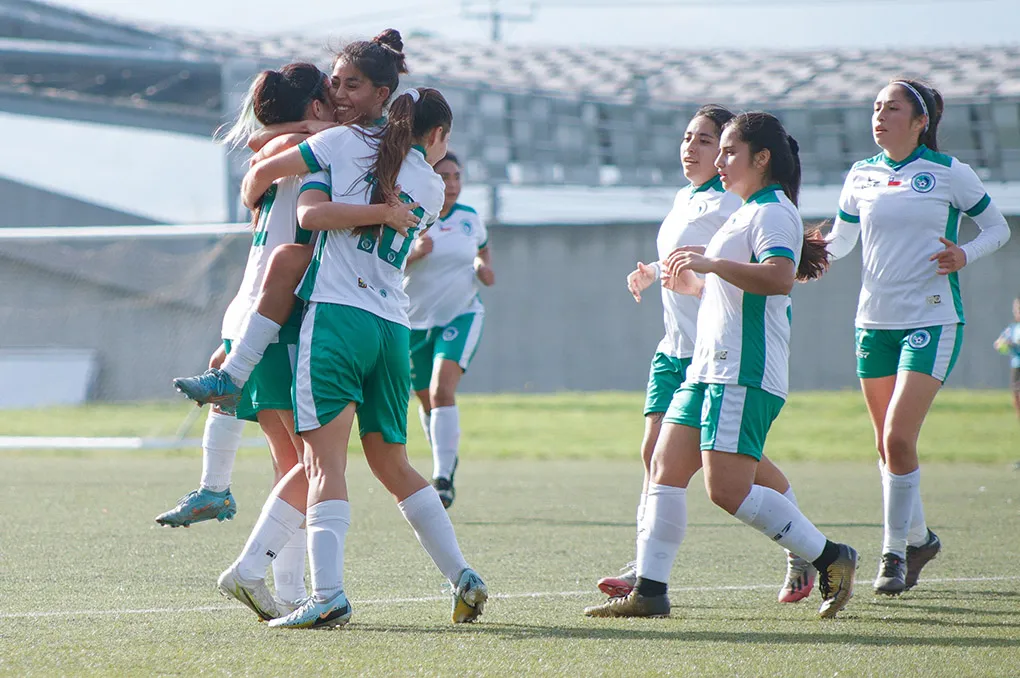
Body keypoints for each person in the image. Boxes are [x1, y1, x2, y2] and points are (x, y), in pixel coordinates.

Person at [218, 87, 488, 630]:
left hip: (336, 319)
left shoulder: (344, 146)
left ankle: (329, 594)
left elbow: (297, 197)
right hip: (392, 325)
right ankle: (462, 576)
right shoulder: (434, 187)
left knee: (322, 464)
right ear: (437, 137)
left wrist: (288, 138)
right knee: (394, 463)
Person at [586, 112, 858, 620]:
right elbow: (721, 291)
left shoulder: (774, 211)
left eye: (730, 150)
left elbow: (778, 277)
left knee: (726, 489)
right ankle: (650, 589)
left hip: (744, 367)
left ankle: (829, 557)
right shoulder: (744, 210)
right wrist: (686, 277)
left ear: (762, 158)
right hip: (706, 365)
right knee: (664, 465)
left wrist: (709, 262)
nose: (721, 160)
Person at [154, 65, 336, 611]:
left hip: (250, 314)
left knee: (291, 466)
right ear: (313, 106)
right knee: (310, 466)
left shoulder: (276, 151)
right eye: (331, 95)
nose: (339, 105)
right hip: (276, 319)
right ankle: (257, 574)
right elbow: (284, 141)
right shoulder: (312, 146)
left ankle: (287, 590)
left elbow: (259, 149)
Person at [826, 79, 1011, 594]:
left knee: (898, 438)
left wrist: (964, 254)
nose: (880, 116)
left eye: (893, 108)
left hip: (931, 319)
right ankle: (922, 538)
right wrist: (790, 254)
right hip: (873, 323)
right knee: (888, 446)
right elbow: (839, 243)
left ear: (921, 121)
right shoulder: (860, 175)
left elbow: (998, 228)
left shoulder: (950, 173)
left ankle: (893, 555)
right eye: (876, 107)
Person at [173, 29, 410, 414]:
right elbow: (259, 159)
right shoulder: (340, 141)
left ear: (381, 93)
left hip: (329, 302)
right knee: (312, 457)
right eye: (335, 83)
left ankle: (225, 402)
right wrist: (311, 133)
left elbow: (260, 159)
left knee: (305, 456)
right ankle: (215, 466)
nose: (339, 93)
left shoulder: (358, 142)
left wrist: (313, 135)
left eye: (352, 84)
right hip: (304, 306)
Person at [403, 152, 494, 509]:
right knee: (427, 400)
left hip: (461, 315)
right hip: (413, 322)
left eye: (457, 176)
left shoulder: (470, 218)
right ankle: (445, 466)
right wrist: (413, 253)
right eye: (444, 177)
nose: (452, 184)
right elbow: (381, 264)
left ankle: (441, 477)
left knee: (442, 390)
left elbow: (484, 253)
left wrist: (483, 269)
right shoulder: (410, 217)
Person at [993, 297, 1020, 422]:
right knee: (1016, 393)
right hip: (1016, 365)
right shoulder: (1012, 328)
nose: (1017, 312)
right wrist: (1005, 344)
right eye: (1016, 309)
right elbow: (998, 344)